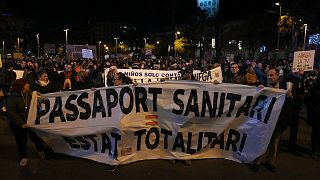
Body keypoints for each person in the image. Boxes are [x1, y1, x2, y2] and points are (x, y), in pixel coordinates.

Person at [251, 68, 294, 172]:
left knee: (274, 142)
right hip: (264, 120)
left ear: (277, 76)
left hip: (279, 120)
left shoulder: (285, 87)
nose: (270, 77)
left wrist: (290, 97)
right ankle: (257, 161)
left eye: (272, 75)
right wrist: (259, 90)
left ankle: (270, 162)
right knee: (261, 140)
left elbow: (293, 100)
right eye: (268, 75)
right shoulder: (263, 86)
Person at [7, 79, 45, 167]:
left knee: (37, 138)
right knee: (21, 141)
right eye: (26, 84)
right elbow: (11, 114)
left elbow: (37, 100)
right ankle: (23, 157)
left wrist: (36, 94)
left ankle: (40, 149)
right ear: (21, 86)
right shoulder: (11, 99)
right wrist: (22, 123)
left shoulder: (30, 94)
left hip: (32, 122)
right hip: (19, 125)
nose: (29, 85)